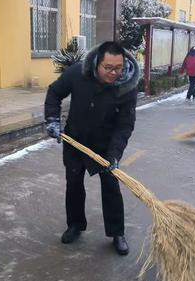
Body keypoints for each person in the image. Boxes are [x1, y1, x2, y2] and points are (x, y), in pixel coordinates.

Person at [44, 41, 139, 256]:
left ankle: (117, 233)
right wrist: (52, 120)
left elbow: (125, 124)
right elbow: (54, 92)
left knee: (111, 186)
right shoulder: (78, 73)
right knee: (74, 183)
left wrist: (114, 154)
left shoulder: (127, 86)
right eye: (108, 68)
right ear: (97, 63)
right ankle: (75, 225)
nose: (114, 73)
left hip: (105, 146)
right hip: (75, 139)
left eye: (118, 68)